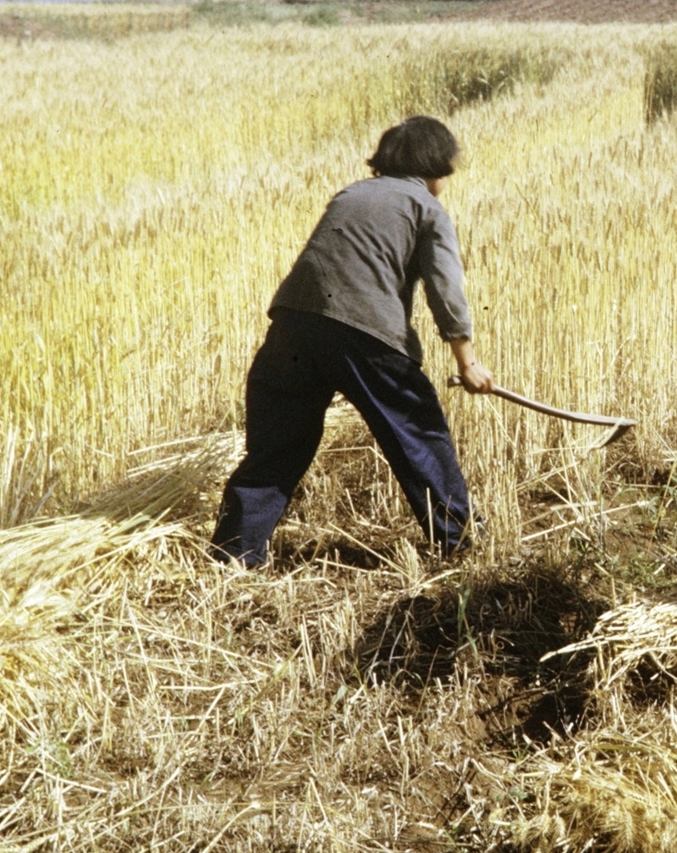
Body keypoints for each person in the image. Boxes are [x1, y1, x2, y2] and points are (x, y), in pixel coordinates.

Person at [211, 116, 495, 568]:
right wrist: (468, 363)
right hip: (365, 331)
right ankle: (461, 543)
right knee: (417, 433)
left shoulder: (351, 194)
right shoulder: (427, 208)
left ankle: (234, 553)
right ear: (436, 166)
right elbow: (447, 290)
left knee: (277, 445)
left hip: (294, 323)